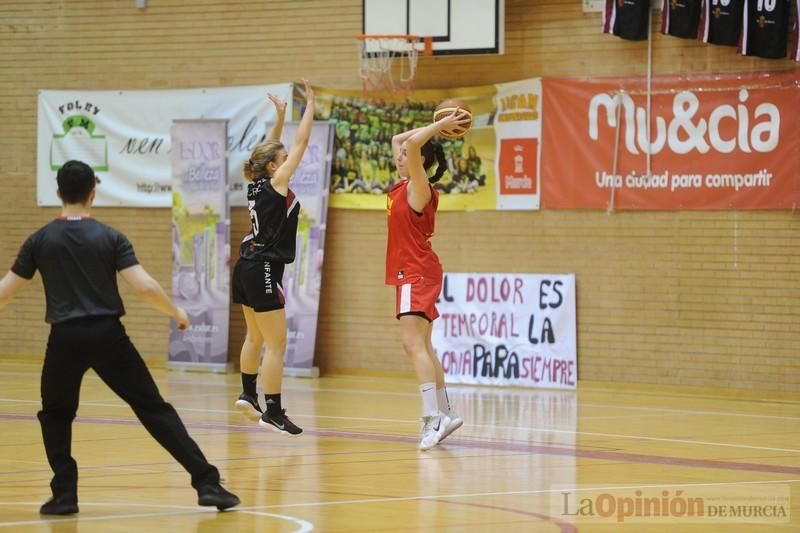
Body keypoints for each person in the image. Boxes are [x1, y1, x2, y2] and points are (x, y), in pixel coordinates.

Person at [0, 160, 240, 515]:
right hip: (108, 336)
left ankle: (65, 495)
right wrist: (176, 313)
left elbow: (6, 291)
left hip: (64, 338)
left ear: (58, 193)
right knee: (153, 408)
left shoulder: (40, 239)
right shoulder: (110, 237)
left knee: (55, 414)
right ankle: (207, 483)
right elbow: (143, 286)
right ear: (93, 194)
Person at [231, 80, 315, 437]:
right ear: (273, 169)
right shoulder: (277, 182)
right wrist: (310, 104)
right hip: (263, 267)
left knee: (255, 337)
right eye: (281, 161)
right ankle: (274, 411)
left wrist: (279, 117)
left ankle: (249, 395)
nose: (286, 162)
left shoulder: (254, 181)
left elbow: (271, 149)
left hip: (245, 265)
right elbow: (301, 143)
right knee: (277, 344)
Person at [386, 109, 471, 450]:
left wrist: (440, 126)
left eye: (407, 154)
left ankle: (431, 420)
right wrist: (437, 125)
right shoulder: (403, 184)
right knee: (423, 346)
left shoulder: (420, 187)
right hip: (414, 270)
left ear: (419, 159)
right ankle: (446, 413)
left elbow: (414, 143)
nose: (400, 154)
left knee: (412, 345)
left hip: (416, 271)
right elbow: (398, 139)